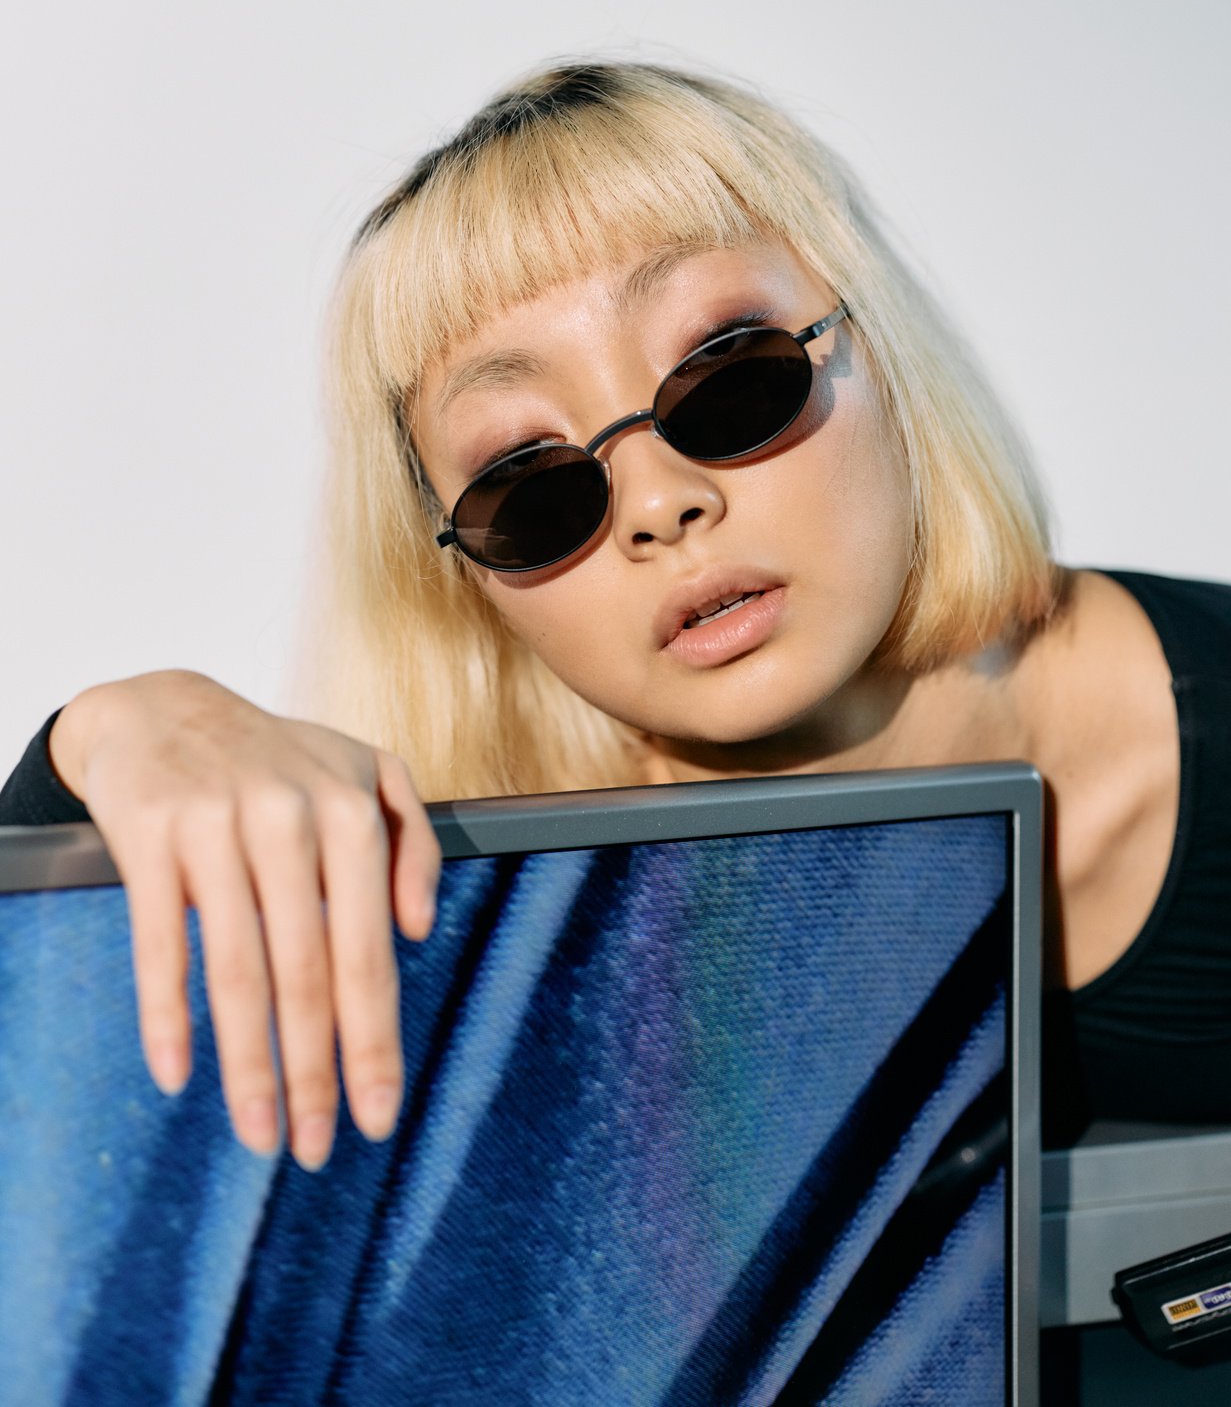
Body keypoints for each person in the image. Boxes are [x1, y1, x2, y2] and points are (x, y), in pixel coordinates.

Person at [4, 59, 1229, 1174]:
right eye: (531, 487)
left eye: (730, 375)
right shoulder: (481, 937)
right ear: (463, 580)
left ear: (881, 353)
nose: (658, 502)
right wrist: (98, 746)